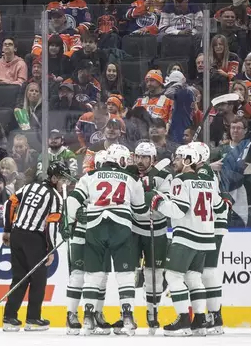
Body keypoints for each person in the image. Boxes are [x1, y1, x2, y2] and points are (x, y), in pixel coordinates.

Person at [66, 144, 148, 336]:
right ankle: (127, 317)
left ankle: (87, 318)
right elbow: (141, 211)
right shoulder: (131, 178)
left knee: (93, 275)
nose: (127, 163)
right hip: (121, 228)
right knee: (125, 274)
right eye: (126, 160)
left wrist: (70, 223)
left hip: (95, 228)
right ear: (120, 159)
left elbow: (72, 200)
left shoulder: (89, 176)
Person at [151, 144, 228, 336]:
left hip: (186, 236)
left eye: (178, 158)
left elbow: (178, 210)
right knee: (194, 277)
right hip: (206, 238)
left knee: (173, 276)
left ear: (187, 161)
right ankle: (200, 320)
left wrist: (158, 202)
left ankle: (184, 319)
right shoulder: (208, 182)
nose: (174, 161)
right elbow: (221, 208)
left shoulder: (180, 180)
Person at [1, 161, 68, 331]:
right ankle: (33, 319)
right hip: (34, 239)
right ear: (54, 178)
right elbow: (52, 225)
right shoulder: (55, 197)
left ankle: (9, 318)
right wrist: (51, 249)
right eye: (62, 179)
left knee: (19, 277)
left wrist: (7, 229)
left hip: (16, 235)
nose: (64, 184)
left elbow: (10, 203)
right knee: (38, 280)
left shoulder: (30, 186)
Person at [125, 141, 171, 335]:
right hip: (134, 230)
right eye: (138, 156)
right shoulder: (128, 174)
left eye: (145, 157)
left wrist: (150, 193)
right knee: (128, 274)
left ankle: (153, 314)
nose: (141, 161)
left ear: (153, 159)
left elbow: (167, 202)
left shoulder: (163, 175)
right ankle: (127, 315)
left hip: (157, 231)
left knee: (155, 274)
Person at [63, 149, 109, 336]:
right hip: (83, 235)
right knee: (79, 275)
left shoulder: (113, 182)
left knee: (102, 276)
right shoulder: (87, 180)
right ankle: (71, 314)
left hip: (104, 235)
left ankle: (97, 312)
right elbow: (71, 207)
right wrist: (71, 219)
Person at [191, 141, 228, 336]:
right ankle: (214, 316)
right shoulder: (204, 171)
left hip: (211, 225)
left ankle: (214, 315)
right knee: (205, 271)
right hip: (208, 224)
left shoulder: (203, 172)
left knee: (207, 271)